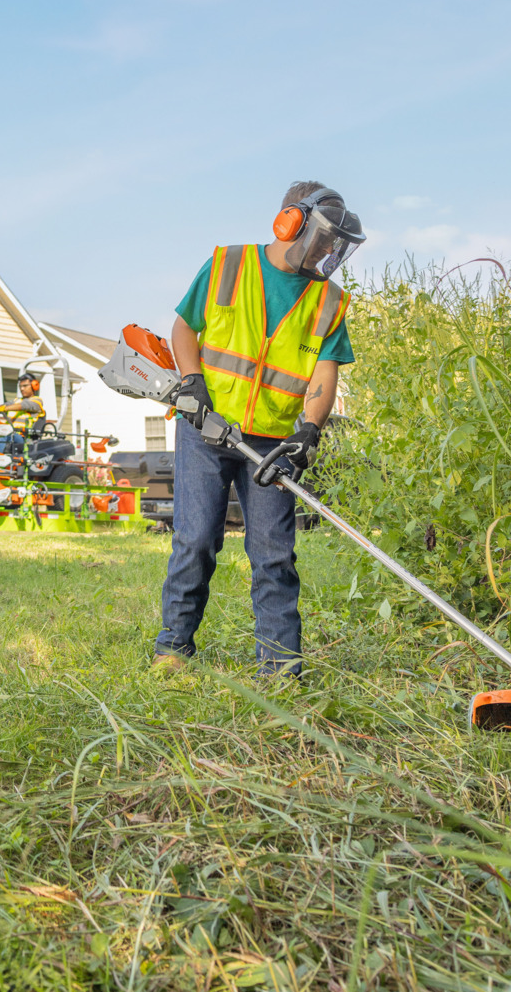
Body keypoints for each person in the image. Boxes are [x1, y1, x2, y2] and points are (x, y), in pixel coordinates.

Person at [155, 181, 364, 676]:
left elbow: (323, 370)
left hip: (271, 443)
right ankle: (173, 649)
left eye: (336, 243)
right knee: (196, 540)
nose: (329, 250)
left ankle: (280, 666)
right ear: (291, 221)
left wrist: (309, 431)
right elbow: (186, 327)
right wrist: (192, 382)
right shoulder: (230, 264)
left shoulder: (328, 300)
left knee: (274, 553)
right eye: (323, 236)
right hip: (207, 428)